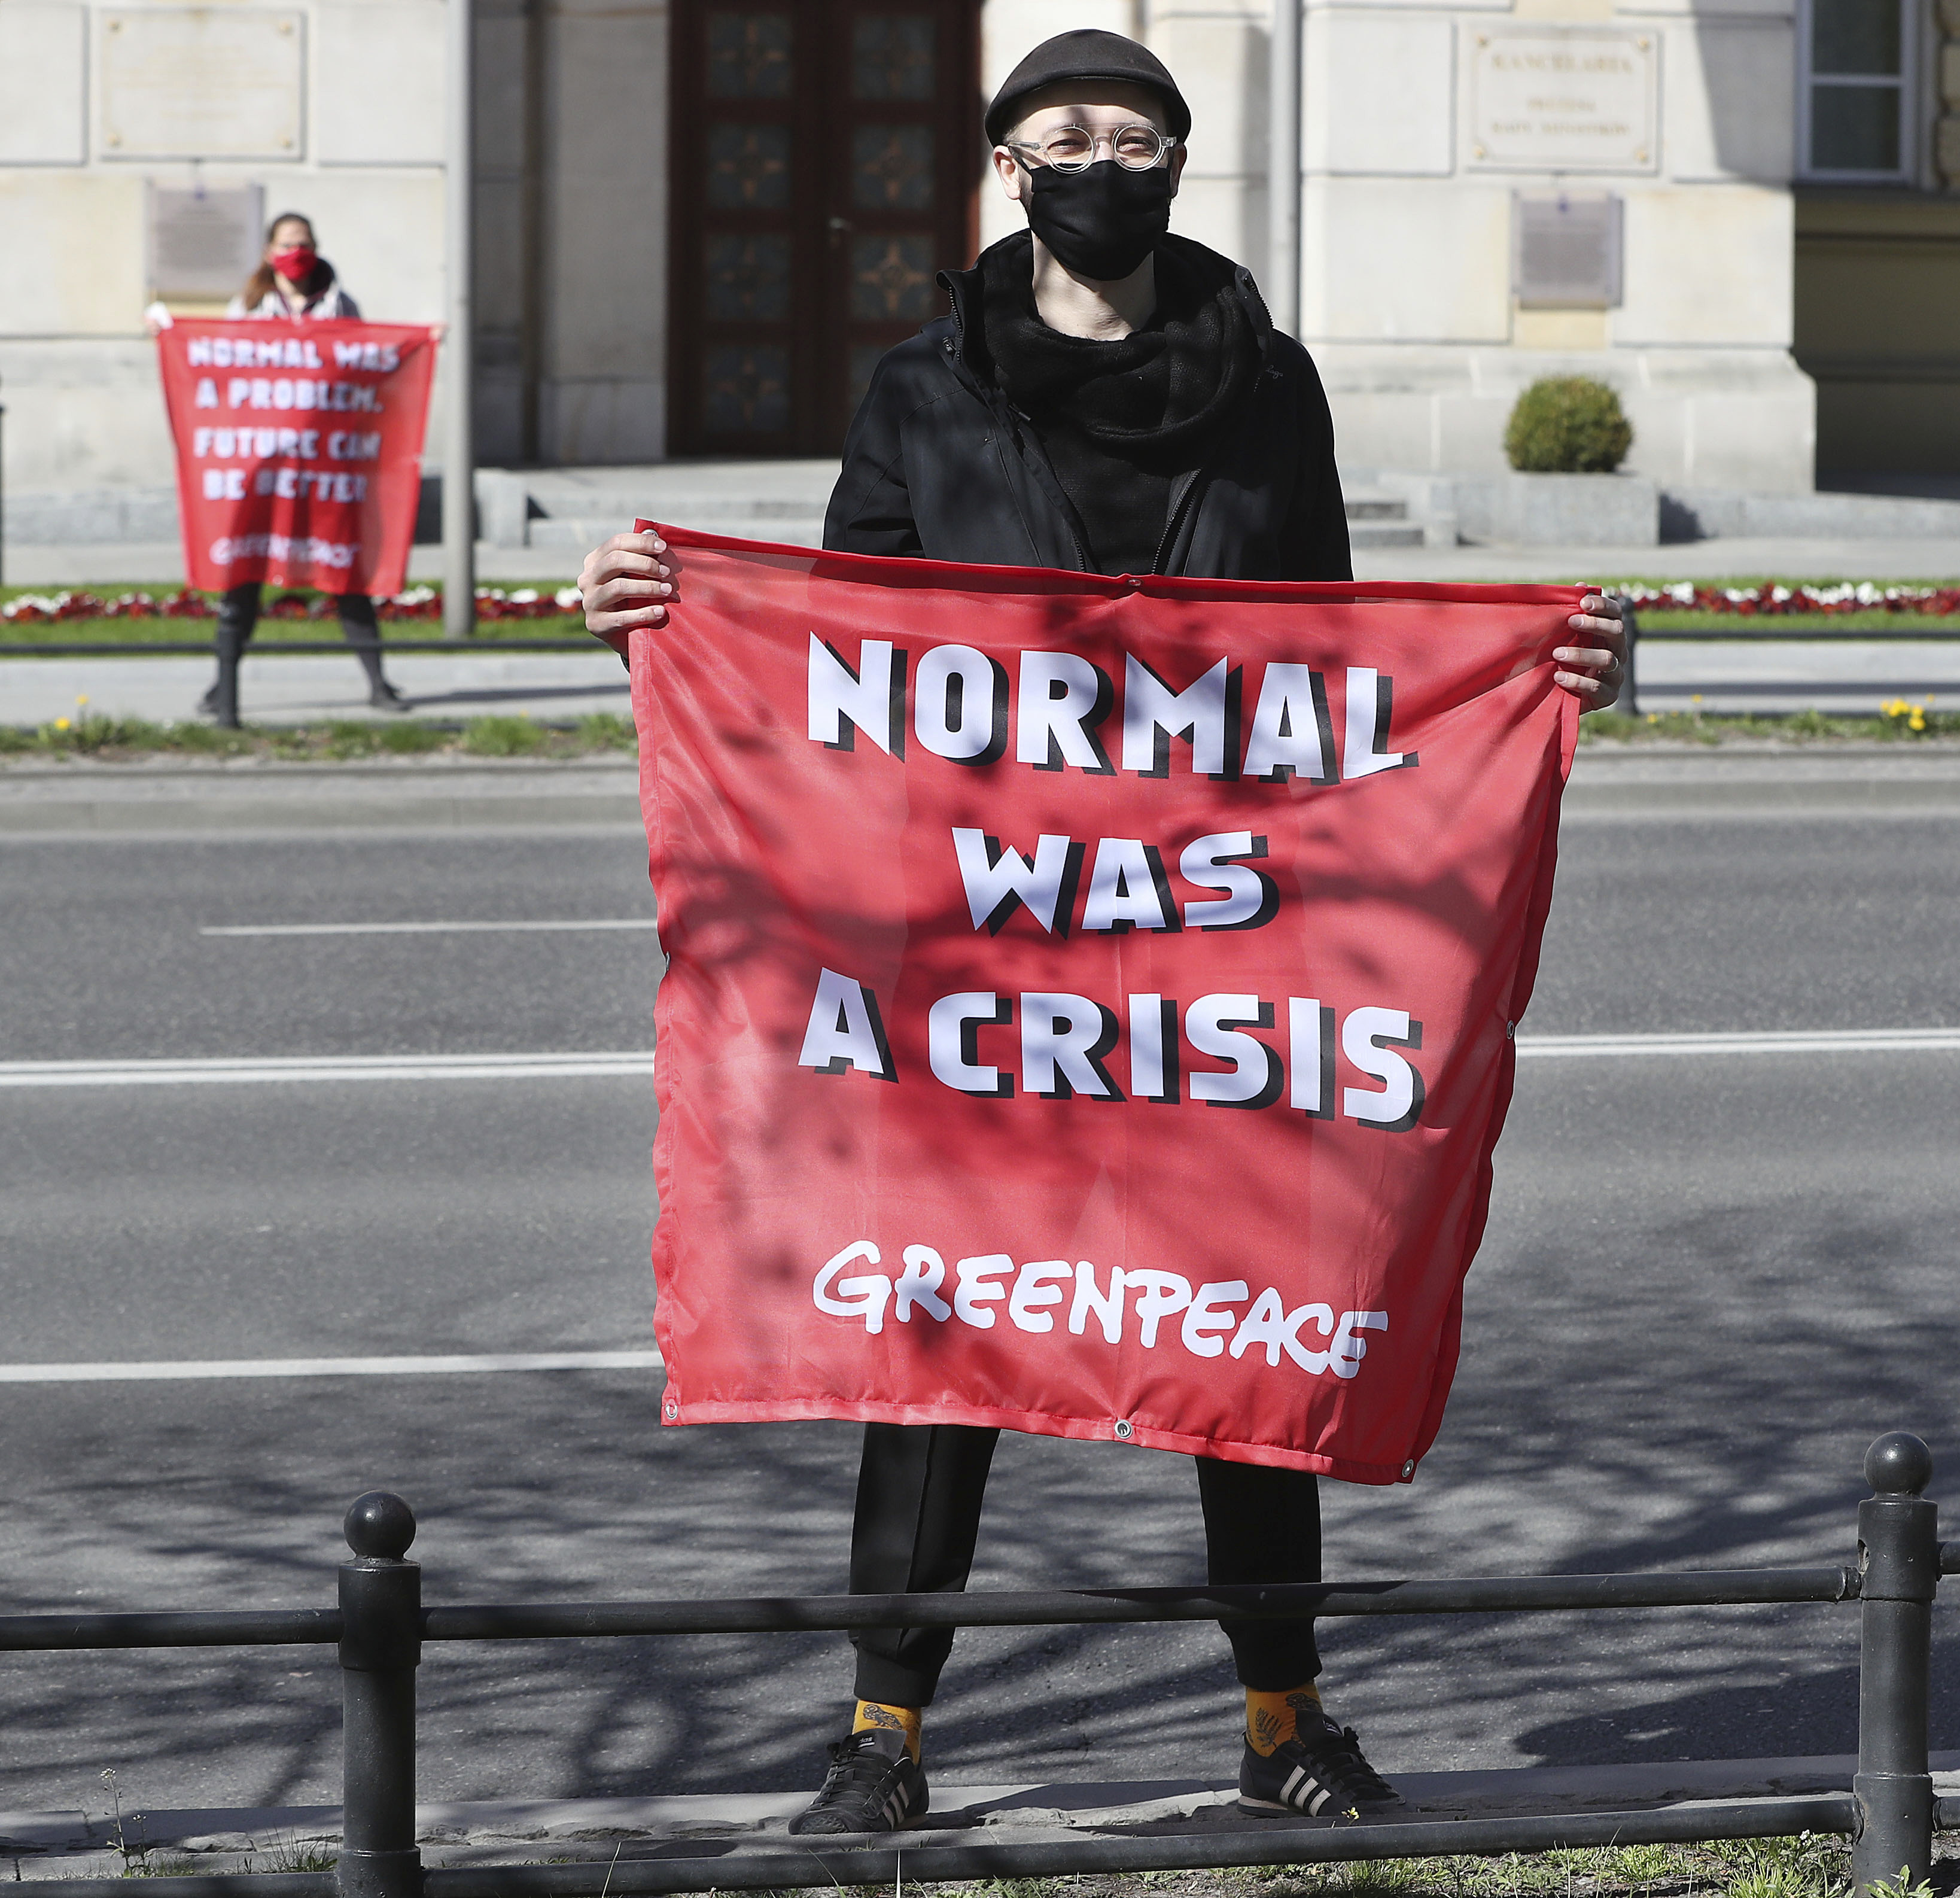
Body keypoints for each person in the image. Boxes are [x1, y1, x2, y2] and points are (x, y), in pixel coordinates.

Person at [578, 27, 1626, 1842]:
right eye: (1061, 134)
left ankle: (1281, 1715)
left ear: (1170, 169)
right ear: (1006, 169)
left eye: (1130, 136)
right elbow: (849, 662)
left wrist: (1539, 678)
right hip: (992, 959)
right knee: (939, 1326)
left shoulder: (1267, 388)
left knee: (1246, 1317)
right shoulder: (923, 390)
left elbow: (1337, 673)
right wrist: (668, 627)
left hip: (1221, 944)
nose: (1095, 159)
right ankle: (881, 1732)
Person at [196, 214, 409, 727]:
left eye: (305, 244)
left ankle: (378, 683)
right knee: (244, 579)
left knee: (345, 572)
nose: (298, 253)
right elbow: (223, 370)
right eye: (289, 245)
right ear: (270, 253)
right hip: (265, 468)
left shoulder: (342, 305)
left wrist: (417, 342)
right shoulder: (248, 308)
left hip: (326, 466)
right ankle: (222, 687)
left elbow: (365, 365)